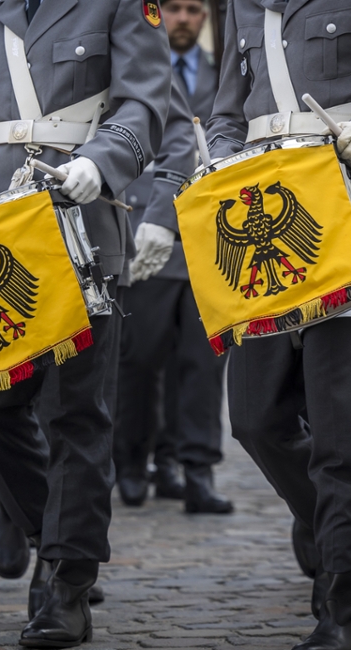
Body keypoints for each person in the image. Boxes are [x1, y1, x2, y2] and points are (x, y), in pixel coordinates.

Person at [206, 1, 351, 649]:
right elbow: (229, 109)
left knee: (339, 424)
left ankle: (345, 607)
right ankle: (339, 528)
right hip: (260, 232)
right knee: (254, 418)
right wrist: (220, 161)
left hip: (341, 221)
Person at [0, 0, 171, 645]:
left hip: (84, 226)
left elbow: (144, 102)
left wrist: (101, 161)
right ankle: (55, 537)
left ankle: (68, 583)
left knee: (75, 412)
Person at [115, 0, 232, 515]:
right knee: (140, 360)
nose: (183, 18)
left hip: (209, 239)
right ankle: (133, 460)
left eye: (192, 9)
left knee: (204, 362)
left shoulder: (223, 70)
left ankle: (197, 469)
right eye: (175, 8)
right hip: (149, 230)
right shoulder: (139, 55)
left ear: (204, 16)